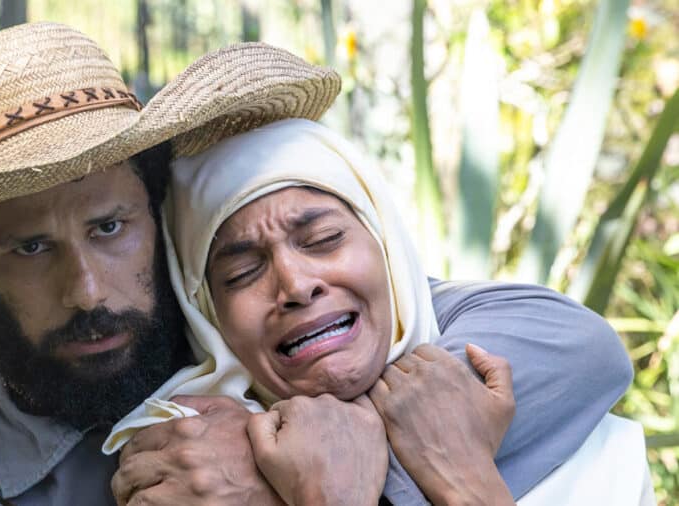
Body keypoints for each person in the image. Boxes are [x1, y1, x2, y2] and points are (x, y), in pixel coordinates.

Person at [0, 23, 632, 505]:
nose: (88, 290)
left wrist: (297, 466)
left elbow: (576, 346)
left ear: (159, 217)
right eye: (31, 247)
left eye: (110, 227)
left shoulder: (251, 313)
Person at [106, 118, 652, 505]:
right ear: (207, 317)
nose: (295, 285)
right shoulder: (180, 469)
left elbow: (592, 349)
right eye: (242, 273)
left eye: (322, 238)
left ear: (386, 247)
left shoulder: (522, 355)